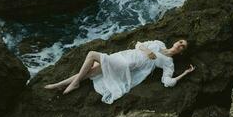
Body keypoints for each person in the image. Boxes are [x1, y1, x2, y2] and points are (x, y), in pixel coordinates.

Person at [44, 39, 195, 104]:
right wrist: (147, 50)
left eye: (183, 46)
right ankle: (60, 84)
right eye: (180, 42)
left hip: (127, 64)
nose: (180, 45)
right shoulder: (159, 43)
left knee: (91, 55)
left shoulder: (168, 63)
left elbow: (167, 82)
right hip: (124, 55)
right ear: (176, 41)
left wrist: (185, 74)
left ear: (181, 52)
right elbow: (138, 44)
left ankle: (73, 83)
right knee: (92, 71)